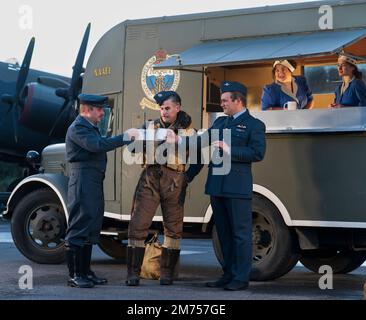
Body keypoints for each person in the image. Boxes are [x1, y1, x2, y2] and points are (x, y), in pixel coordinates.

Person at [173, 81, 266, 291]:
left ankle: (241, 278)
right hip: (217, 186)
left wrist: (230, 149)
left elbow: (257, 153)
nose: (221, 104)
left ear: (237, 100)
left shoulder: (254, 125)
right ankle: (228, 273)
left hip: (237, 187)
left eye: (225, 100)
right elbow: (200, 145)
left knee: (241, 234)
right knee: (223, 233)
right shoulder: (220, 124)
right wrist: (178, 144)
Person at [65, 93, 138, 288]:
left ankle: (85, 272)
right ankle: (75, 275)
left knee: (91, 225)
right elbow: (97, 145)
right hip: (83, 181)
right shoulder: (79, 127)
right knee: (79, 225)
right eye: (99, 110)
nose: (102, 114)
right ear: (87, 110)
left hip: (92, 181)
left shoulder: (89, 127)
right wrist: (124, 137)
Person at [125, 91, 195, 287]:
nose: (163, 112)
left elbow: (200, 150)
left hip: (175, 180)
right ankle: (132, 273)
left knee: (174, 228)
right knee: (138, 224)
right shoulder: (149, 127)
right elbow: (131, 149)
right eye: (161, 108)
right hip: (150, 178)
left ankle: (167, 274)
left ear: (177, 107)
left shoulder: (188, 129)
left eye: (167, 108)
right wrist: (140, 139)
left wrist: (188, 176)